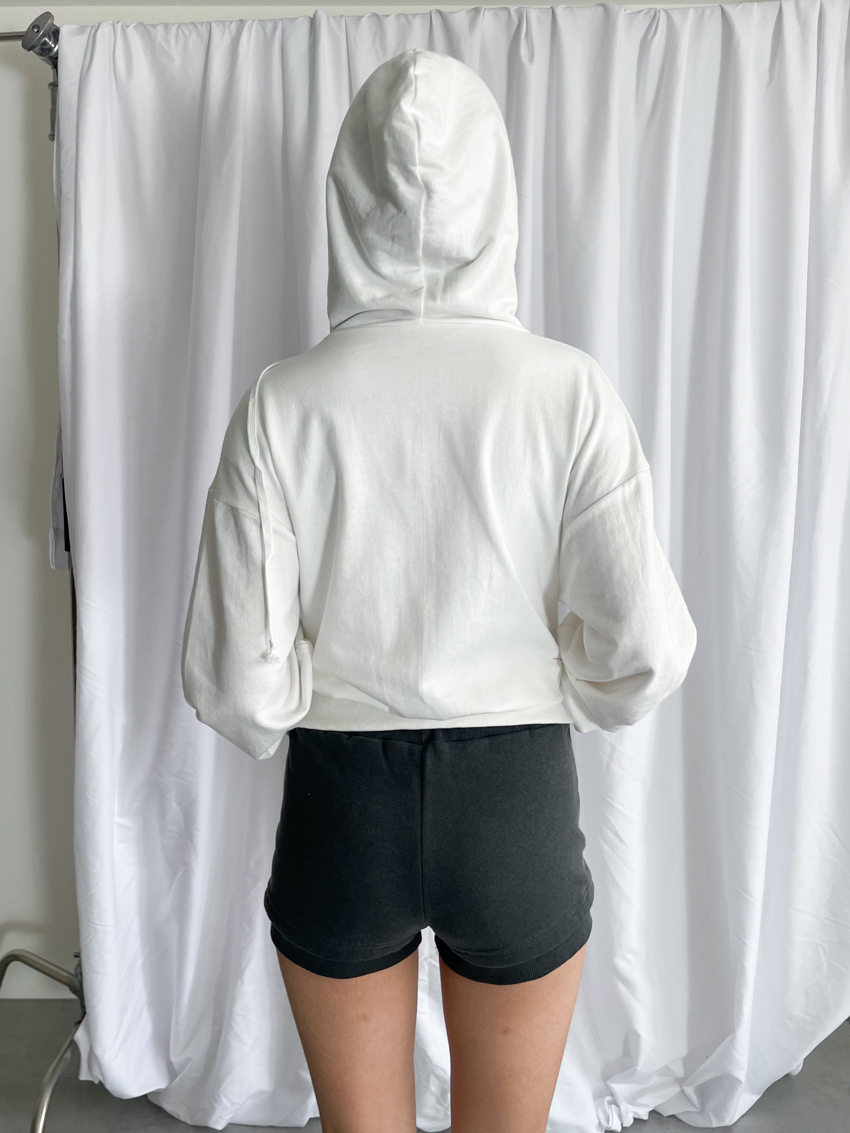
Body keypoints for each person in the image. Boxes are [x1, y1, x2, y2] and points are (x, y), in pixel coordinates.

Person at [181, 48, 697, 1133]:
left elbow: (237, 686)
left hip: (342, 805)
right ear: (498, 192)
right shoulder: (567, 390)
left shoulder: (284, 402)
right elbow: (643, 647)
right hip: (514, 799)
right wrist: (556, 680)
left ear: (346, 192)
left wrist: (323, 681)